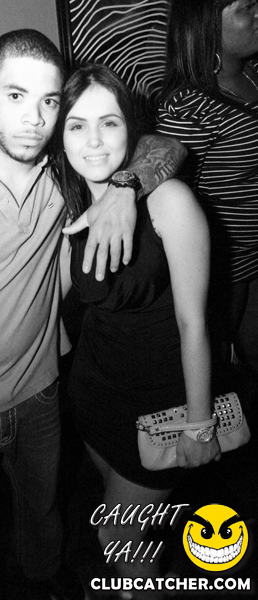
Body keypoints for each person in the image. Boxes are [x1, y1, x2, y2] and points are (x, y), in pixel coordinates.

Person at [0, 30, 185, 600]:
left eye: (49, 101)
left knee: (43, 518)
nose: (34, 118)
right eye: (15, 96)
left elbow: (164, 145)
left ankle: (45, 584)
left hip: (44, 394)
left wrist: (125, 186)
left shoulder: (63, 175)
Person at [52, 63, 221, 598]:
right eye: (77, 125)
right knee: (120, 516)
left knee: (118, 533)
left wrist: (200, 422)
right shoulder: (71, 202)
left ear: (131, 129)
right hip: (95, 393)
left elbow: (195, 323)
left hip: (160, 403)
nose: (94, 141)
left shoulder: (169, 202)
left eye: (109, 123)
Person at [156, 0, 258, 385]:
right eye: (247, 7)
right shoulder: (189, 107)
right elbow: (172, 201)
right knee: (230, 378)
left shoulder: (254, 72)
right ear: (207, 22)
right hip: (229, 272)